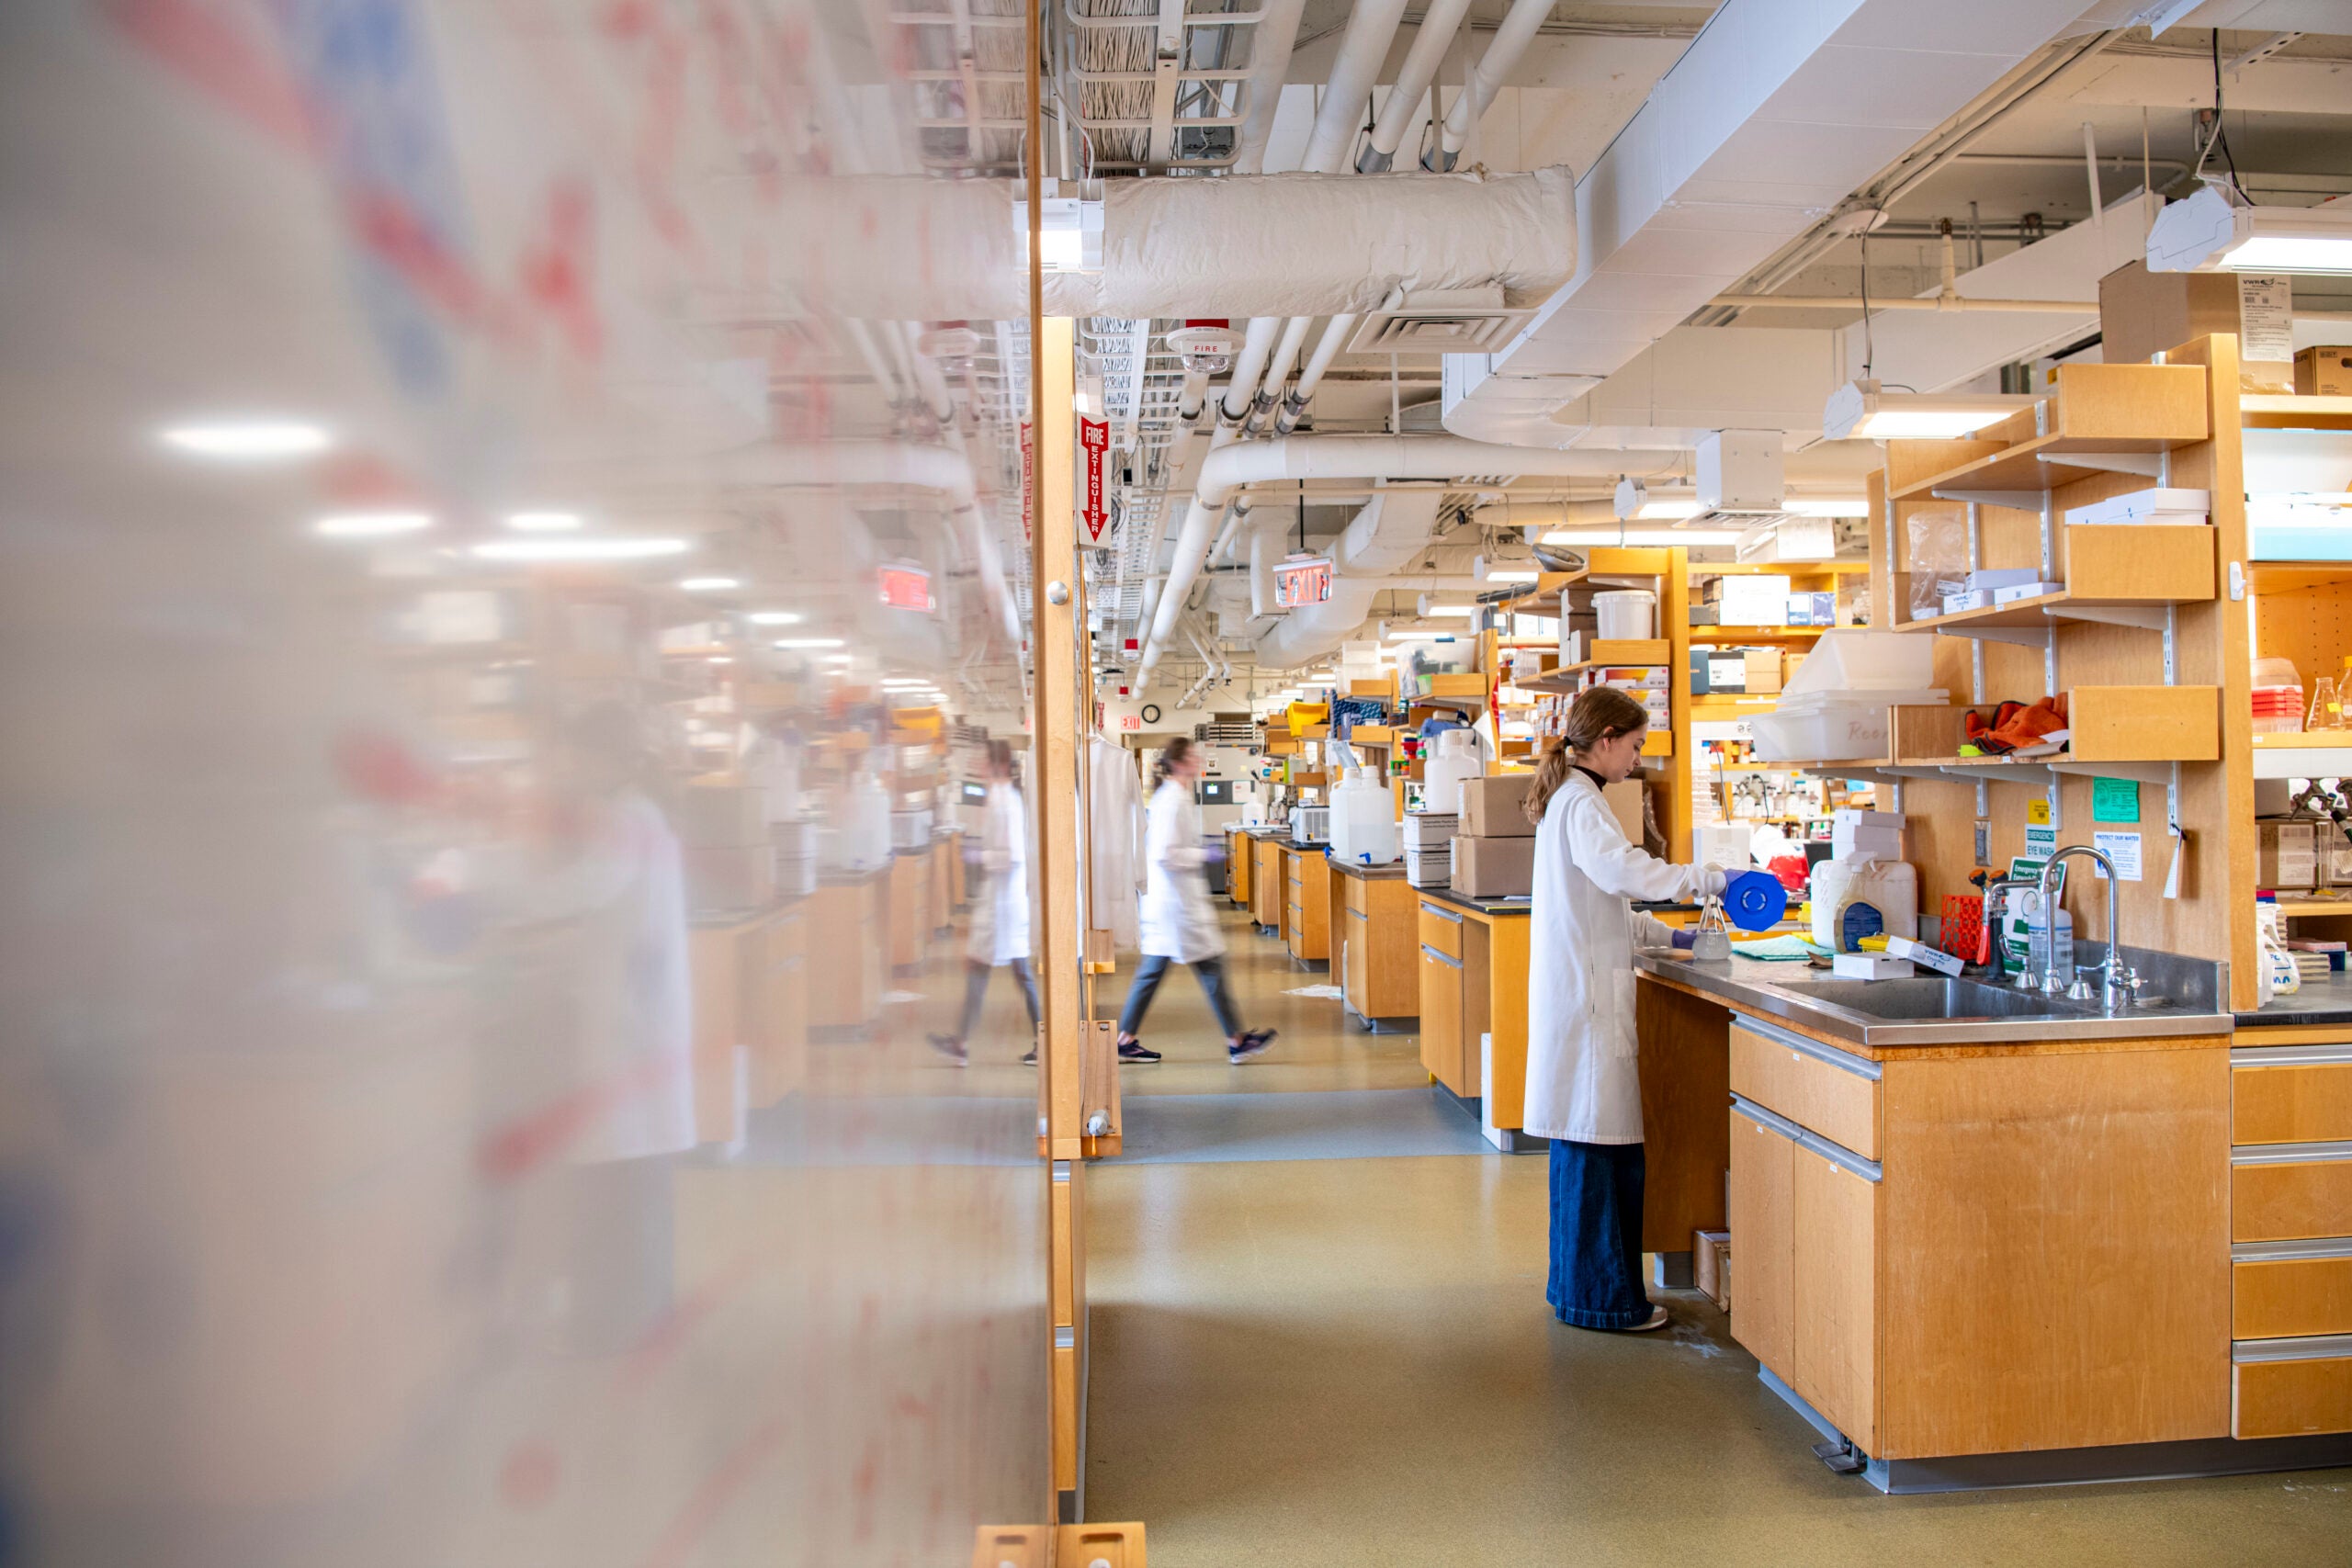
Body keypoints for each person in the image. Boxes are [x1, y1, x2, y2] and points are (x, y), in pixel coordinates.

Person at [1523, 688, 1726, 1334]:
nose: (1637, 759)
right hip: (1586, 1007)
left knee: (1590, 1150)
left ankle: (1580, 1291)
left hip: (1584, 996)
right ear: (1606, 737)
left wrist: (1676, 937)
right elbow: (1622, 874)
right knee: (1598, 1154)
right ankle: (1606, 1301)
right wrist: (1700, 878)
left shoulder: (1575, 801)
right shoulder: (1582, 803)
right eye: (1636, 745)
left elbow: (1608, 909)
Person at [1115, 737, 1276, 1066]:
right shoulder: (1172, 799)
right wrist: (1203, 854)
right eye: (1192, 755)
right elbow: (1163, 854)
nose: (1198, 759)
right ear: (1178, 763)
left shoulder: (1175, 796)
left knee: (1166, 972)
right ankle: (1235, 1041)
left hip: (1173, 904)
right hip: (1175, 905)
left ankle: (1126, 1039)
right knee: (1201, 969)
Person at [930, 741, 1042, 1066]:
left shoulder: (1003, 801)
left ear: (998, 765)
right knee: (1004, 972)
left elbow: (1008, 857)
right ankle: (961, 1042)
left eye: (983, 762)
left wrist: (977, 854)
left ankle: (1040, 1040)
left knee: (1015, 972)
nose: (979, 767)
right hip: (1003, 902)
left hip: (1003, 906)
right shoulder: (1004, 798)